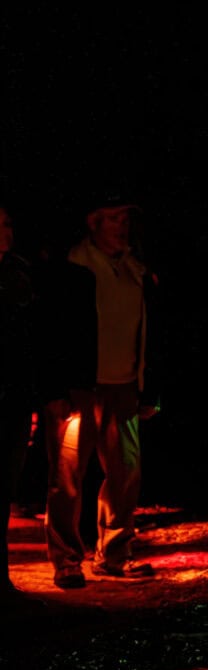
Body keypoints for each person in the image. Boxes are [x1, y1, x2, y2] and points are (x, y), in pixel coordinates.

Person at [41, 192, 162, 589]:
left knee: (126, 472)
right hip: (81, 387)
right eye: (113, 218)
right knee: (68, 475)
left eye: (125, 218)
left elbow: (150, 330)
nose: (121, 225)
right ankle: (66, 558)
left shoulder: (134, 268)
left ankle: (113, 554)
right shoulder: (73, 266)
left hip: (124, 384)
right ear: (94, 222)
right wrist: (58, 386)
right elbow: (55, 330)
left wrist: (149, 386)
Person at [0, 202, 42, 606]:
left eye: (8, 223)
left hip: (11, 396)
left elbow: (29, 342)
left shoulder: (19, 274)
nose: (5, 231)